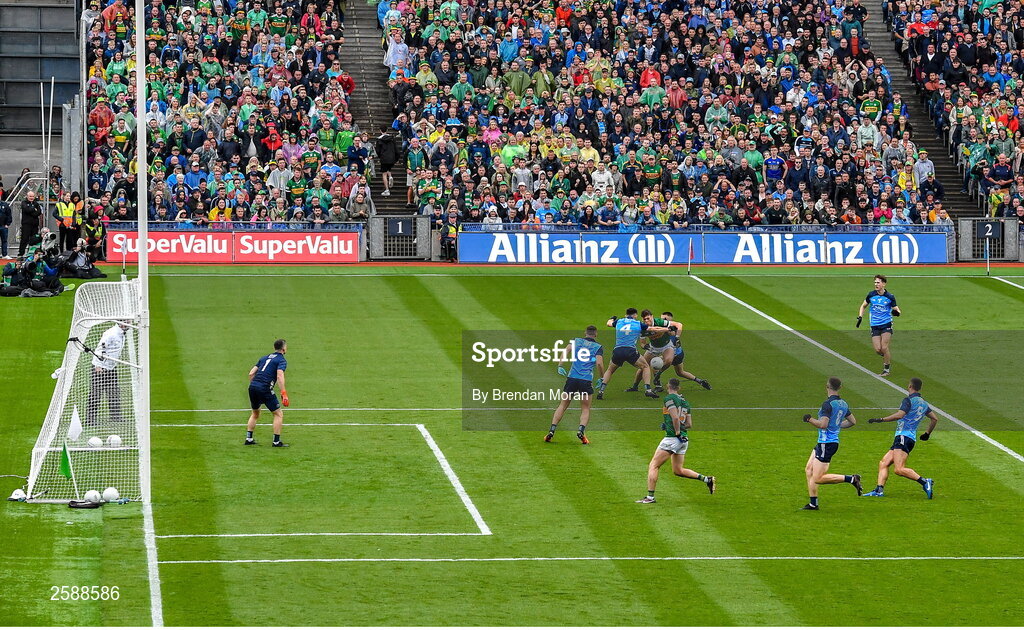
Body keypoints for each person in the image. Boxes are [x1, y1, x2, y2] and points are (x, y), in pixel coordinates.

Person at [636, 378, 715, 503]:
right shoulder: (686, 403)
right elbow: (689, 424)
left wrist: (676, 432)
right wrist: (672, 428)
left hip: (673, 438)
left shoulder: (669, 399)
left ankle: (650, 497)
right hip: (683, 439)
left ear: (668, 386)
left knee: (654, 465)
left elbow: (675, 418)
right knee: (678, 470)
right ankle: (707, 479)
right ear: (679, 388)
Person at [863, 377, 938, 499]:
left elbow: (900, 415)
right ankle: (879, 490)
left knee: (898, 469)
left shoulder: (908, 400)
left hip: (903, 436)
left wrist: (881, 420)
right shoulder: (924, 403)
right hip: (908, 438)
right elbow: (934, 419)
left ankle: (925, 482)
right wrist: (927, 433)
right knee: (884, 462)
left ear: (910, 386)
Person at [800, 377, 862, 510]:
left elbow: (823, 424)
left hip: (826, 444)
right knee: (809, 470)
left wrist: (809, 419)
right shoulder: (843, 404)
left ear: (827, 386)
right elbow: (852, 422)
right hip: (825, 443)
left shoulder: (827, 404)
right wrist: (837, 426)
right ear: (840, 388)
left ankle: (851, 479)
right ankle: (813, 503)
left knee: (818, 478)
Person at [546, 325, 604, 444]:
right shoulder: (598, 347)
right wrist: (602, 377)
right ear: (596, 334)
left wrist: (560, 365)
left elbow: (566, 350)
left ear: (585, 333)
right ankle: (581, 431)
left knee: (562, 405)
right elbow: (599, 363)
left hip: (572, 378)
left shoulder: (576, 341)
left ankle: (552, 430)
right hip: (585, 380)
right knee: (585, 408)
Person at [596, 308, 669, 400]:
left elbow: (608, 323)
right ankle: (648, 390)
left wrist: (612, 318)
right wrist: (667, 329)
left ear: (626, 315)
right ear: (635, 315)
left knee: (610, 370)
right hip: (630, 351)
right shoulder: (638, 323)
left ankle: (601, 391)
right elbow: (653, 328)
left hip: (618, 350)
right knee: (645, 367)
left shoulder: (619, 321)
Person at [651, 311, 712, 391]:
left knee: (655, 363)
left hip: (674, 354)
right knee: (680, 372)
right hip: (679, 354)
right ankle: (700, 381)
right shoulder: (671, 329)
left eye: (665, 319)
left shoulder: (671, 331)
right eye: (662, 319)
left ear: (670, 319)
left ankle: (658, 385)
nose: (663, 320)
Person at [245, 339, 290, 448]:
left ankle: (249, 438)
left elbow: (251, 373)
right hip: (264, 388)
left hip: (253, 387)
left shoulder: (264, 358)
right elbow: (279, 375)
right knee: (278, 414)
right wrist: (283, 392)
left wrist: (255, 385)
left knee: (255, 413)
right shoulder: (281, 360)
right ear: (283, 349)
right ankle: (276, 442)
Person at [857, 274, 901, 376]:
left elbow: (897, 310)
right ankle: (886, 355)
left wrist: (897, 313)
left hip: (886, 324)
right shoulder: (871, 295)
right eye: (875, 282)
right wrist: (860, 316)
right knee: (878, 349)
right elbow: (863, 306)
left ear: (884, 284)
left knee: (884, 348)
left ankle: (886, 369)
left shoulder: (890, 297)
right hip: (874, 325)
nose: (876, 284)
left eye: (878, 282)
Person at [86, 321, 129, 425]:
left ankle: (116, 417)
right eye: (127, 322)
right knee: (96, 393)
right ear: (121, 323)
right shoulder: (111, 333)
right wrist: (98, 366)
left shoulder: (121, 333)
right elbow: (100, 349)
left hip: (111, 367)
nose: (129, 324)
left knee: (114, 392)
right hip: (100, 368)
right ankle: (90, 419)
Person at [18, 191, 43, 257]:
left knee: (34, 240)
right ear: (27, 196)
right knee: (24, 239)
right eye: (30, 196)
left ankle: (32, 253)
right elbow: (27, 210)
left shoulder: (36, 203)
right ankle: (21, 254)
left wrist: (33, 210)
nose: (31, 198)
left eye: (32, 196)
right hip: (26, 225)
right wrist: (33, 209)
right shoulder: (24, 203)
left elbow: (39, 212)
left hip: (34, 225)